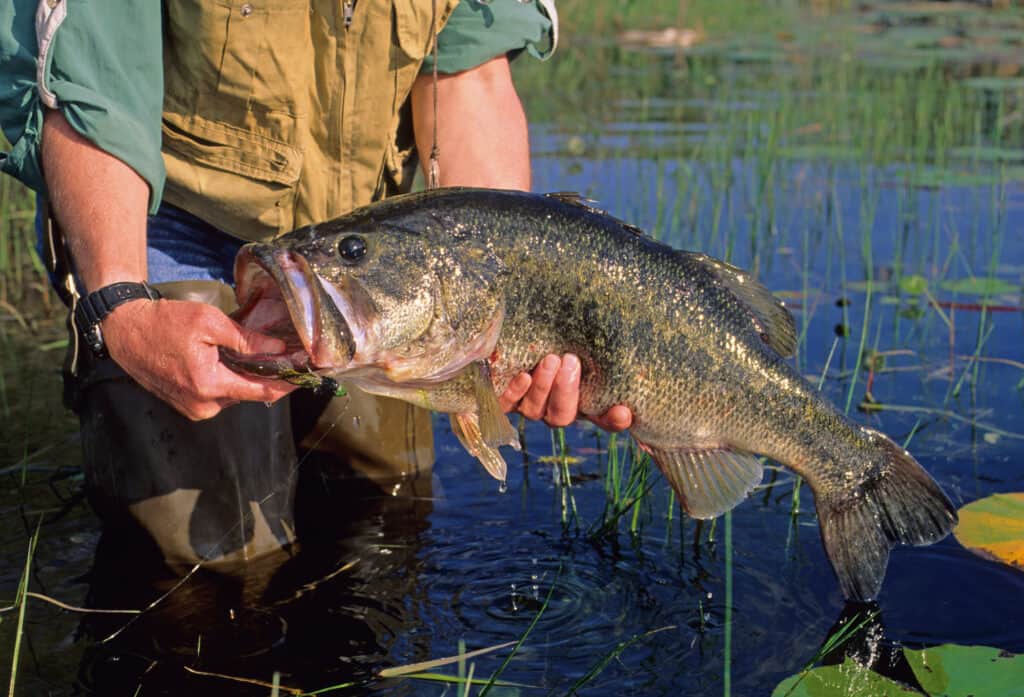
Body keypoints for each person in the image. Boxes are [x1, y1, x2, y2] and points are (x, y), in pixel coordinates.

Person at [0, 0, 632, 568]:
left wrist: (504, 319)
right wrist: (118, 302)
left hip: (362, 248)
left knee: (383, 512)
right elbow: (95, 88)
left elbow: (467, 72)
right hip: (164, 215)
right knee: (206, 554)